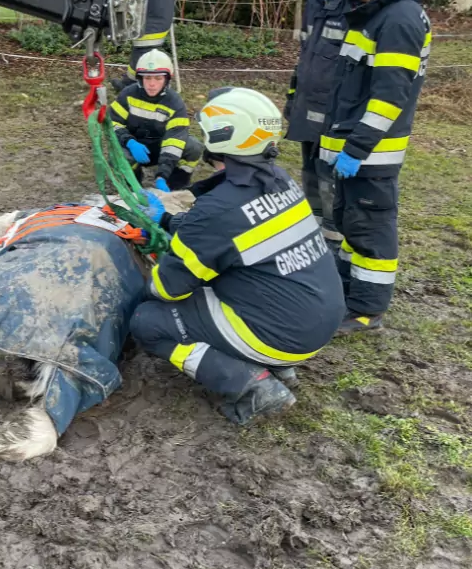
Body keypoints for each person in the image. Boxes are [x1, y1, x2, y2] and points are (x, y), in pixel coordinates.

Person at [130, 87, 345, 425]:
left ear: (222, 136)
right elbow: (232, 230)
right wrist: (170, 222)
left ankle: (253, 386)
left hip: (278, 333)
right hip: (316, 320)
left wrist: (148, 269)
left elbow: (168, 289)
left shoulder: (217, 211)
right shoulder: (279, 179)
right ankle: (279, 367)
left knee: (148, 321)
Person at [320, 0, 433, 334]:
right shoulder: (378, 14)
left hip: (370, 154)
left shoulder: (399, 20)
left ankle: (367, 308)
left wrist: (358, 147)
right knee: (352, 224)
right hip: (354, 148)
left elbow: (389, 97)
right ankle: (349, 291)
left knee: (371, 231)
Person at [286, 0, 354, 248]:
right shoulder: (314, 3)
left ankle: (332, 241)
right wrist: (292, 98)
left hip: (334, 112)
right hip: (307, 106)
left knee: (330, 178)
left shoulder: (354, 6)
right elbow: (305, 59)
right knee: (309, 171)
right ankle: (311, 234)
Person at [108, 49, 202, 191]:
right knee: (117, 156)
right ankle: (133, 185)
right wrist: (130, 142)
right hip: (133, 146)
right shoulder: (127, 94)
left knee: (194, 147)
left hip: (161, 147)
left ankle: (176, 184)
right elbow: (112, 124)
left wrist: (162, 176)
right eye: (147, 78)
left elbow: (174, 141)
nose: (152, 84)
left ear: (166, 79)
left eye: (158, 78)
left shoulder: (175, 103)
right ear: (140, 78)